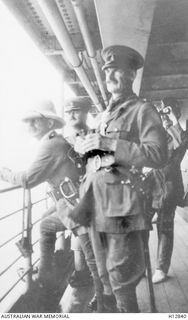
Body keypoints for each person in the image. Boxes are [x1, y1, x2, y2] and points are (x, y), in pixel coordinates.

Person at [72, 45, 168, 312]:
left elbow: (158, 154)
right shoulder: (106, 114)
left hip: (122, 207)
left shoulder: (142, 111)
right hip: (96, 205)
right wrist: (90, 149)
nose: (110, 75)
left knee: (120, 277)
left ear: (130, 75)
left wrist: (110, 144)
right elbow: (105, 157)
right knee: (103, 274)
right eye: (107, 70)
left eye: (118, 70)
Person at [0, 100, 102, 301]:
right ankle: (46, 275)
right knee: (46, 223)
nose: (30, 125)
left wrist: (4, 173)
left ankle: (103, 300)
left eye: (35, 121)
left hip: (79, 210)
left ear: (49, 123)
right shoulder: (58, 141)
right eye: (27, 121)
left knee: (93, 258)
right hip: (78, 203)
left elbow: (28, 179)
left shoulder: (51, 144)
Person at [151, 97, 187, 284]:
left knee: (165, 228)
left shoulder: (180, 134)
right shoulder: (155, 133)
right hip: (150, 186)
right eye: (161, 111)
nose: (163, 115)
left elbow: (181, 143)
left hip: (169, 188)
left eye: (168, 111)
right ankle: (139, 267)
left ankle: (161, 268)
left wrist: (172, 121)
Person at [63, 96, 93, 287]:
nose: (72, 115)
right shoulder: (64, 141)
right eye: (68, 112)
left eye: (76, 110)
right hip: (71, 196)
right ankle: (82, 274)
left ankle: (90, 277)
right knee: (79, 237)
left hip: (93, 193)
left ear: (86, 112)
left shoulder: (95, 135)